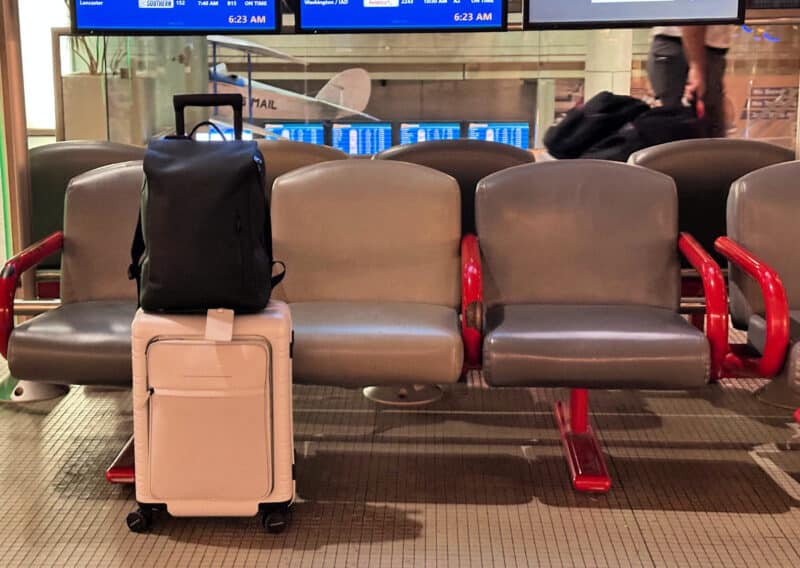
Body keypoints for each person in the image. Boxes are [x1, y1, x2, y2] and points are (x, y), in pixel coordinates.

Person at [646, 25, 734, 138]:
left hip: (684, 48)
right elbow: (693, 16)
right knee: (703, 139)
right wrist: (696, 66)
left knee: (685, 135)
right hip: (691, 49)